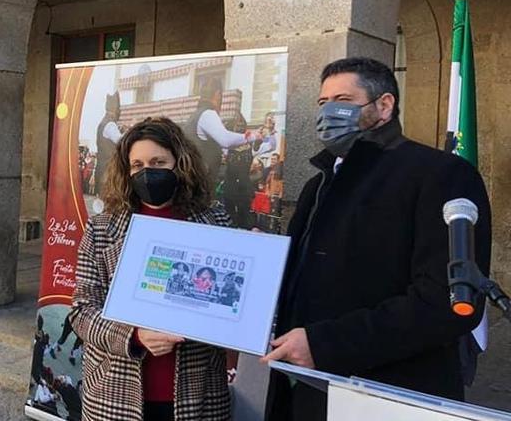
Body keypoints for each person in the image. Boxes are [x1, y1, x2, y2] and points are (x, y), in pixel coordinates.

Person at [262, 57, 492, 421]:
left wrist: (325, 344)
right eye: (323, 103)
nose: (328, 112)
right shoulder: (318, 184)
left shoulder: (441, 175)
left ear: (384, 105)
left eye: (343, 100)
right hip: (308, 390)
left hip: (391, 395)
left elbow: (443, 303)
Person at [70, 117, 232, 421]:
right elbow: (82, 311)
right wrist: (134, 336)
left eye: (158, 161)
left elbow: (231, 300)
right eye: (137, 165)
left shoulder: (214, 220)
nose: (148, 173)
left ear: (180, 164)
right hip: (115, 392)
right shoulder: (103, 227)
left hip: (198, 394)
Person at [95, 91, 122, 195]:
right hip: (108, 170)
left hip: (102, 169)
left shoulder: (103, 123)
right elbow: (121, 141)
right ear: (115, 109)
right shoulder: (110, 124)